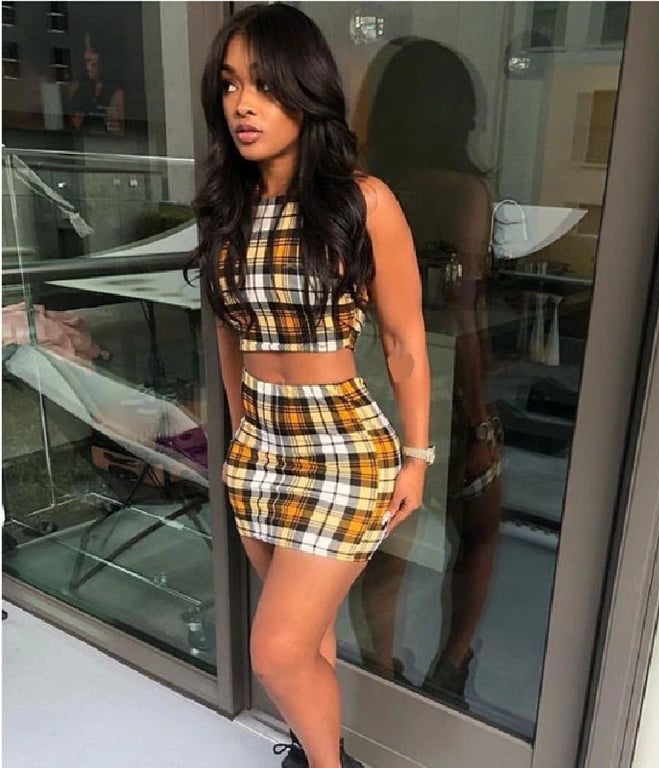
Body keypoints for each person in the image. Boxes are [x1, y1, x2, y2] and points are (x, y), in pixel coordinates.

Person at [190, 6, 431, 768]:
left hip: (341, 451)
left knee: (275, 650)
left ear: (305, 88)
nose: (243, 104)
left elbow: (404, 339)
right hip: (261, 449)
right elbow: (229, 333)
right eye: (230, 85)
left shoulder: (364, 202)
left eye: (264, 85)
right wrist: (241, 441)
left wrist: (418, 456)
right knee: (309, 637)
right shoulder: (229, 208)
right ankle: (312, 751)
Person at [353, 37, 503, 709]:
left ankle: (380, 671)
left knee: (387, 543)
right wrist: (480, 420)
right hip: (441, 385)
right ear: (455, 113)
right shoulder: (464, 193)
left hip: (373, 383)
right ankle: (452, 667)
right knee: (481, 528)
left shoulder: (363, 189)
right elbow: (463, 316)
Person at [67, 32, 125, 135]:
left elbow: (118, 135)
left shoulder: (116, 93)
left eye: (93, 51)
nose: (86, 56)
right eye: (86, 49)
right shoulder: (78, 87)